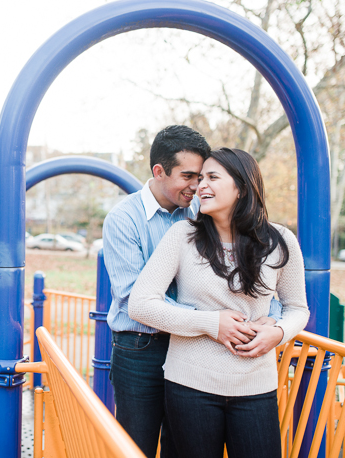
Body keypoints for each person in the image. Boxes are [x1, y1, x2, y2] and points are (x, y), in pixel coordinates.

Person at [102, 126, 282, 457]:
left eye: (203, 177)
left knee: (181, 446)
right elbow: (132, 299)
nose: (197, 186)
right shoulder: (123, 219)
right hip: (142, 347)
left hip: (193, 349)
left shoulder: (203, 209)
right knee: (136, 445)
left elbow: (249, 278)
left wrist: (272, 319)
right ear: (159, 171)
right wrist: (211, 320)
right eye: (188, 176)